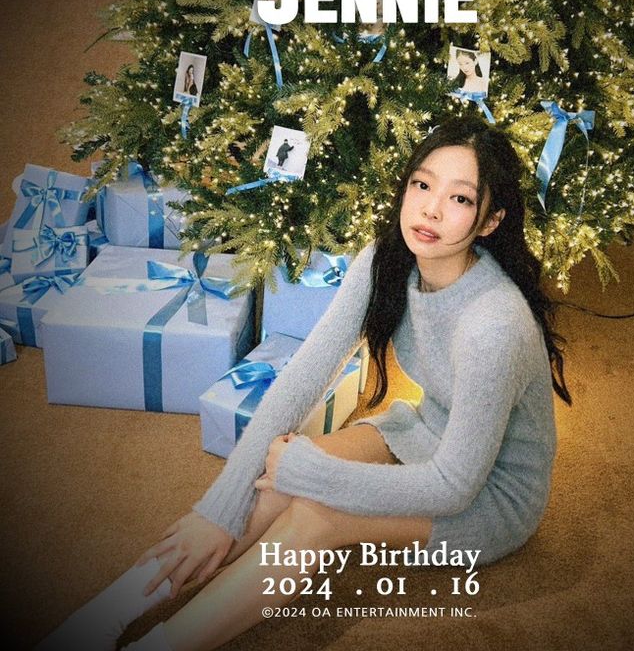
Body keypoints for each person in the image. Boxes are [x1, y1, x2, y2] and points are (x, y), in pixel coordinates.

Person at [37, 116, 571, 651]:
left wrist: (312, 474)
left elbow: (454, 488)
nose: (430, 208)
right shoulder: (388, 259)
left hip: (489, 500)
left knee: (317, 510)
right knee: (285, 470)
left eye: (459, 199)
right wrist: (215, 515)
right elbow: (303, 377)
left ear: (489, 221)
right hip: (424, 430)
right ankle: (108, 613)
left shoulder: (492, 326)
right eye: (422, 184)